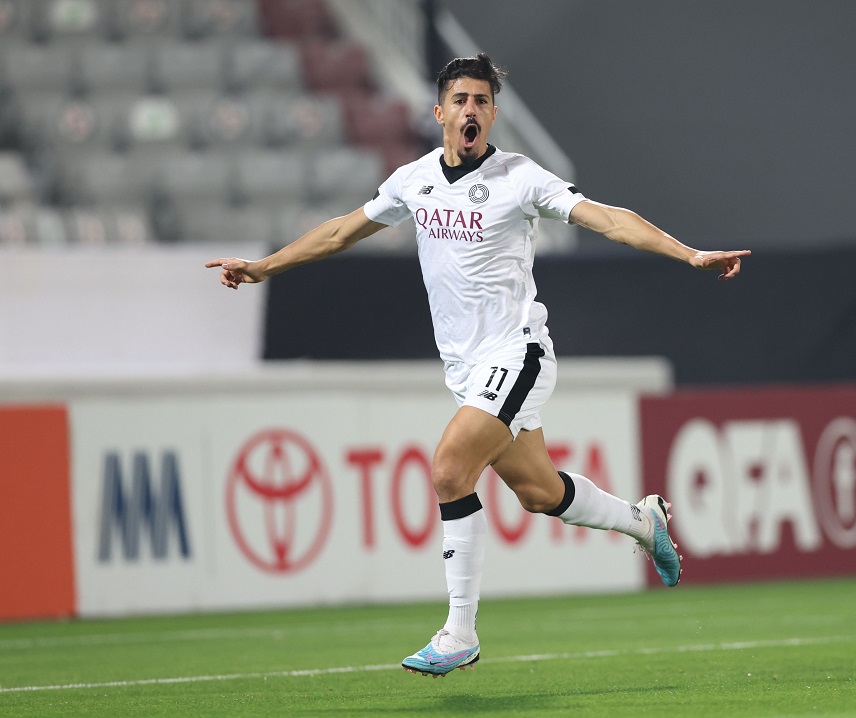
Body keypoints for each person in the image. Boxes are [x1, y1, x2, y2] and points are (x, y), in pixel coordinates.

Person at [206, 53, 749, 678]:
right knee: (540, 491)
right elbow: (338, 232)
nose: (471, 110)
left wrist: (688, 254)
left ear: (492, 115)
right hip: (467, 370)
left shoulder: (520, 178)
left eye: (482, 102)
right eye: (460, 100)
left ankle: (459, 630)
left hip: (517, 352)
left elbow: (606, 219)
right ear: (440, 113)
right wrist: (264, 266)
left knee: (448, 470)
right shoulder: (414, 180)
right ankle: (641, 521)